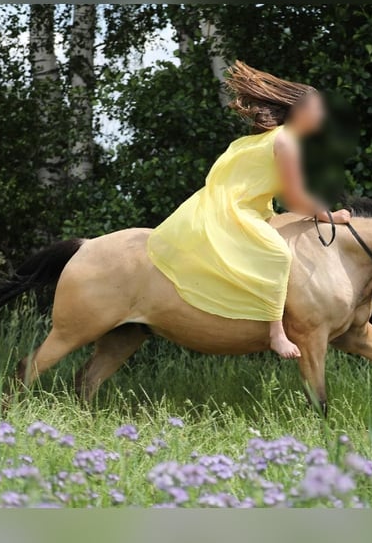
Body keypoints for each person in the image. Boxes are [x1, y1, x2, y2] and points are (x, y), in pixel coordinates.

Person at [147, 61, 351, 359]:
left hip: (226, 207)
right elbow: (295, 198)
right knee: (278, 253)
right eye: (319, 108)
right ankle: (276, 333)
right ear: (301, 112)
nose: (323, 115)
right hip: (234, 211)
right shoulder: (286, 140)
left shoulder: (257, 140)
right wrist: (329, 215)